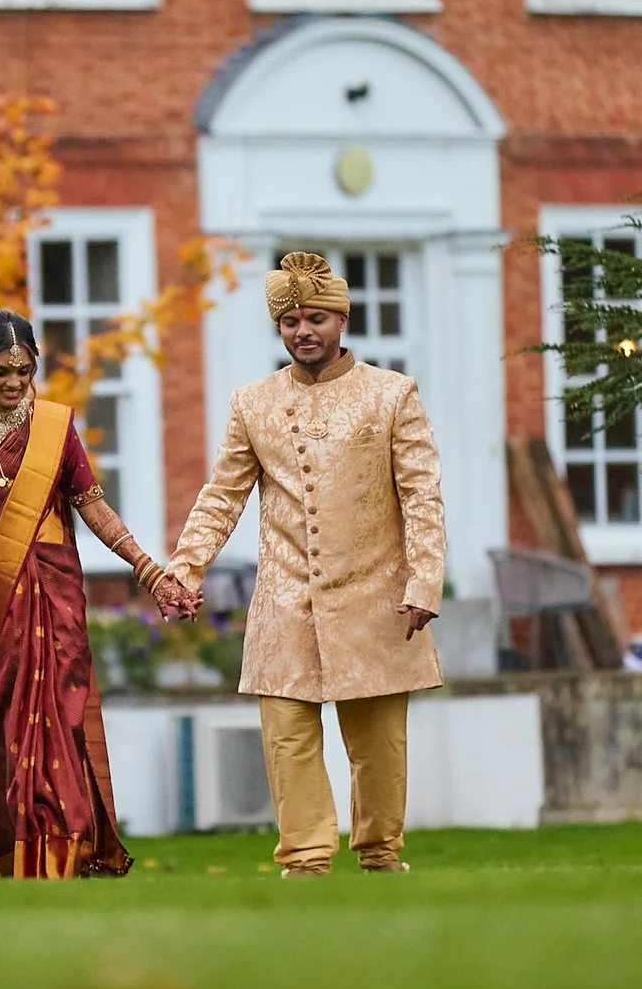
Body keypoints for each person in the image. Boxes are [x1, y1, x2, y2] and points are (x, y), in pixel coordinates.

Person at [165, 252, 446, 877]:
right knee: (287, 734)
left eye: (316, 318)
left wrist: (425, 580)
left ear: (342, 320)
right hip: (285, 598)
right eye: (291, 321)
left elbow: (422, 495)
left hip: (377, 594)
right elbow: (223, 493)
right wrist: (186, 568)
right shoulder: (252, 403)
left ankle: (379, 856)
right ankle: (306, 861)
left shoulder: (392, 394)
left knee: (377, 744)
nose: (304, 332)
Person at [0, 310, 203, 878]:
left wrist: (150, 571)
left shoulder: (54, 428)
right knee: (6, 734)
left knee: (59, 718)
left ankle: (64, 856)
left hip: (52, 594)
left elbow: (93, 507)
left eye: (24, 371)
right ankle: (25, 859)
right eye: (2, 370)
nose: (14, 383)